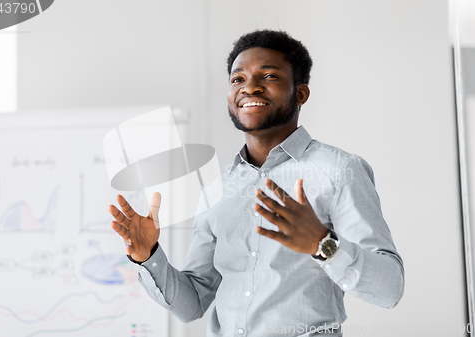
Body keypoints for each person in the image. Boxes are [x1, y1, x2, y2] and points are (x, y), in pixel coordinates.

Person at [108, 30, 404, 337]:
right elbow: (192, 304)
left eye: (270, 76)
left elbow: (390, 289)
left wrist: (322, 243)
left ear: (300, 94)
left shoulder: (340, 171)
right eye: (238, 79)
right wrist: (148, 255)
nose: (250, 87)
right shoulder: (216, 190)